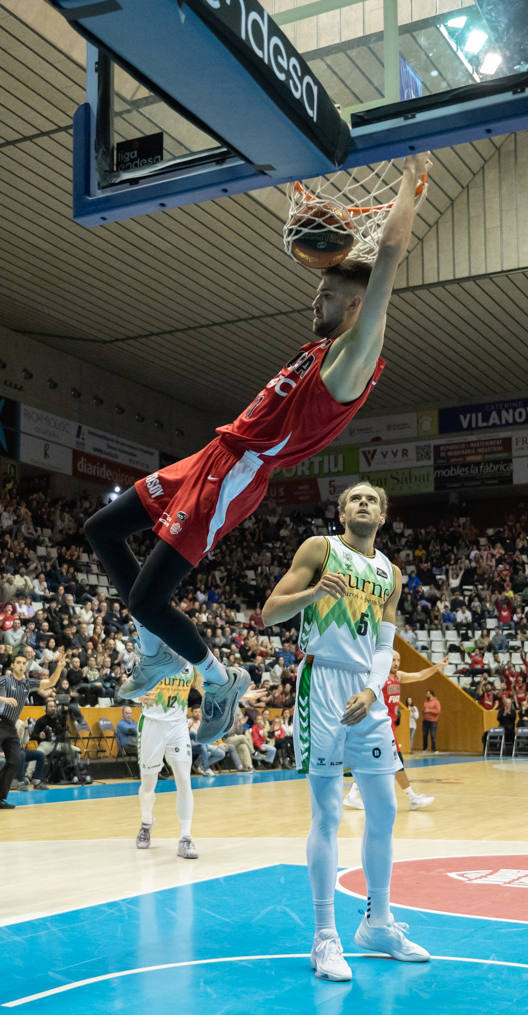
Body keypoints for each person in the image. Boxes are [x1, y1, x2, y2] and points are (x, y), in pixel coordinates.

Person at [83, 154, 428, 748]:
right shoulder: (320, 347)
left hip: (238, 473)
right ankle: (157, 652)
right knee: (101, 530)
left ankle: (220, 681)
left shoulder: (351, 359)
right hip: (210, 456)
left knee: (147, 598)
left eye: (324, 296)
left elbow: (389, 260)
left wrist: (407, 184)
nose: (312, 303)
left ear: (354, 308)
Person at [262, 481, 429, 982]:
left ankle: (378, 923)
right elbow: (271, 612)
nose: (362, 504)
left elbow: (384, 645)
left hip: (366, 692)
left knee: (385, 808)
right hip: (322, 683)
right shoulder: (320, 548)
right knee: (329, 812)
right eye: (354, 498)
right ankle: (325, 936)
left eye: (371, 500)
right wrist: (313, 592)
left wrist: (375, 690)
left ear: (382, 515)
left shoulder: (389, 574)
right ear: (341, 511)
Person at [344, 650, 447, 812]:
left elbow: (419, 675)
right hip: (379, 725)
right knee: (396, 760)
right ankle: (412, 798)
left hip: (389, 724)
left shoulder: (398, 676)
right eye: (393, 660)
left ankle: (353, 795)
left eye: (398, 659)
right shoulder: (378, 678)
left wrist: (437, 667)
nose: (396, 663)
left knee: (376, 761)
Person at [135, 662, 198, 858]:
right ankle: (146, 823)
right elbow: (127, 687)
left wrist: (233, 694)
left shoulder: (192, 658)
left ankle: (185, 837)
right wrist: (137, 697)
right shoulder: (152, 655)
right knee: (148, 784)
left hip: (178, 726)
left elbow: (208, 686)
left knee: (184, 780)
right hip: (152, 724)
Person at [0, 650, 65, 808]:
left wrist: (59, 668)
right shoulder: (5, 680)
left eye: (24, 663)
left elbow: (49, 683)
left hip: (11, 726)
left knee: (14, 761)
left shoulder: (27, 683)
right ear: (13, 665)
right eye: (19, 663)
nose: (21, 665)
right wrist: (4, 699)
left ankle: (0, 798)